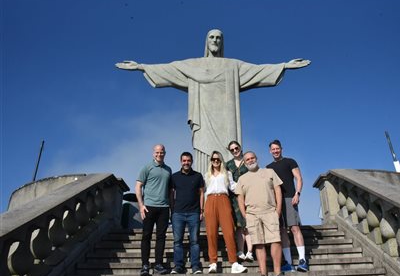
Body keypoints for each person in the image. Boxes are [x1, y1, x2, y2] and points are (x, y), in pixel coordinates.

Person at [116, 29, 311, 174]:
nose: (215, 40)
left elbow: (257, 70)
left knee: (230, 151)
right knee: (204, 156)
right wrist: (142, 67)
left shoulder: (232, 66)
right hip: (204, 118)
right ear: (206, 42)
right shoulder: (194, 65)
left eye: (219, 37)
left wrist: (284, 65)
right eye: (212, 37)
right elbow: (170, 69)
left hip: (227, 121)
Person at [236, 151, 295, 276]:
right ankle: (263, 275)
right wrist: (245, 215)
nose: (250, 161)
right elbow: (240, 197)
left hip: (270, 212)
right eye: (247, 159)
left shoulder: (269, 172)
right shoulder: (242, 178)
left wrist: (278, 210)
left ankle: (278, 274)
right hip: (252, 214)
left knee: (276, 241)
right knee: (258, 243)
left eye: (252, 158)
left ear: (257, 158)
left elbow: (278, 191)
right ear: (244, 163)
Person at [266, 139, 309, 272]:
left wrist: (298, 193)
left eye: (277, 148)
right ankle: (289, 263)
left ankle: (302, 260)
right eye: (273, 149)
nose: (275, 151)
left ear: (281, 149)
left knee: (295, 228)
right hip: (276, 202)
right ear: (270, 151)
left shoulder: (290, 161)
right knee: (283, 231)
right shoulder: (268, 167)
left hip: (290, 198)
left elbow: (299, 178)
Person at [203, 151, 247, 274]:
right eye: (213, 159)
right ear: (211, 161)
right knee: (211, 233)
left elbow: (234, 186)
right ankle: (213, 262)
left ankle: (234, 263)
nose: (216, 161)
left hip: (224, 200)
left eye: (218, 159)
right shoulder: (206, 175)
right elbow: (202, 191)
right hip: (210, 201)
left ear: (221, 161)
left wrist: (247, 185)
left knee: (229, 231)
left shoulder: (227, 173)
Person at [135, 144, 172, 276]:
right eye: (157, 152)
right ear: (153, 153)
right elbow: (138, 186)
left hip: (163, 208)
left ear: (165, 153)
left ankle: (158, 264)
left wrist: (171, 208)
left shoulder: (168, 170)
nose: (159, 154)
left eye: (161, 152)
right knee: (146, 235)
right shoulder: (147, 167)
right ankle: (145, 265)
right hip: (149, 206)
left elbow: (169, 191)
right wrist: (141, 205)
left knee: (161, 237)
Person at [169, 152, 205, 274]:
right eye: (184, 160)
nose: (186, 163)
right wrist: (172, 210)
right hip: (178, 213)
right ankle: (178, 266)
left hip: (194, 213)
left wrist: (201, 210)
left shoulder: (198, 176)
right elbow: (171, 194)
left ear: (191, 161)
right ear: (181, 161)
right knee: (177, 241)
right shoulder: (174, 176)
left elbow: (201, 194)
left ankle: (195, 266)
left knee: (194, 241)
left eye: (188, 160)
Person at [225, 141, 253, 262]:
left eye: (236, 148)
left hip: (249, 195)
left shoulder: (247, 160)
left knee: (249, 223)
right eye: (232, 150)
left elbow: (253, 176)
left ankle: (250, 251)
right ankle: (241, 250)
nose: (235, 151)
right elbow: (228, 182)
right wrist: (239, 189)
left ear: (240, 148)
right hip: (235, 197)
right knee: (239, 225)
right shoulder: (228, 164)